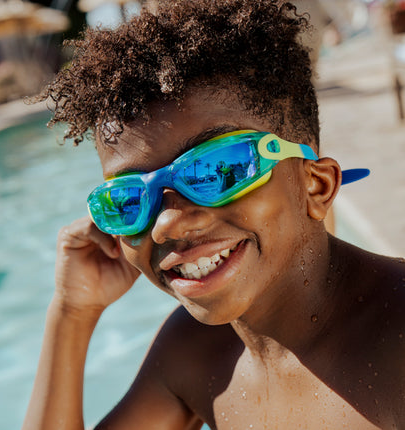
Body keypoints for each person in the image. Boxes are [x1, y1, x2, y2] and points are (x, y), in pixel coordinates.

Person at [22, 1, 405, 429]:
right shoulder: (194, 352)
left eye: (216, 170)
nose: (166, 223)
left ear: (316, 185)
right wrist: (72, 312)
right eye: (126, 199)